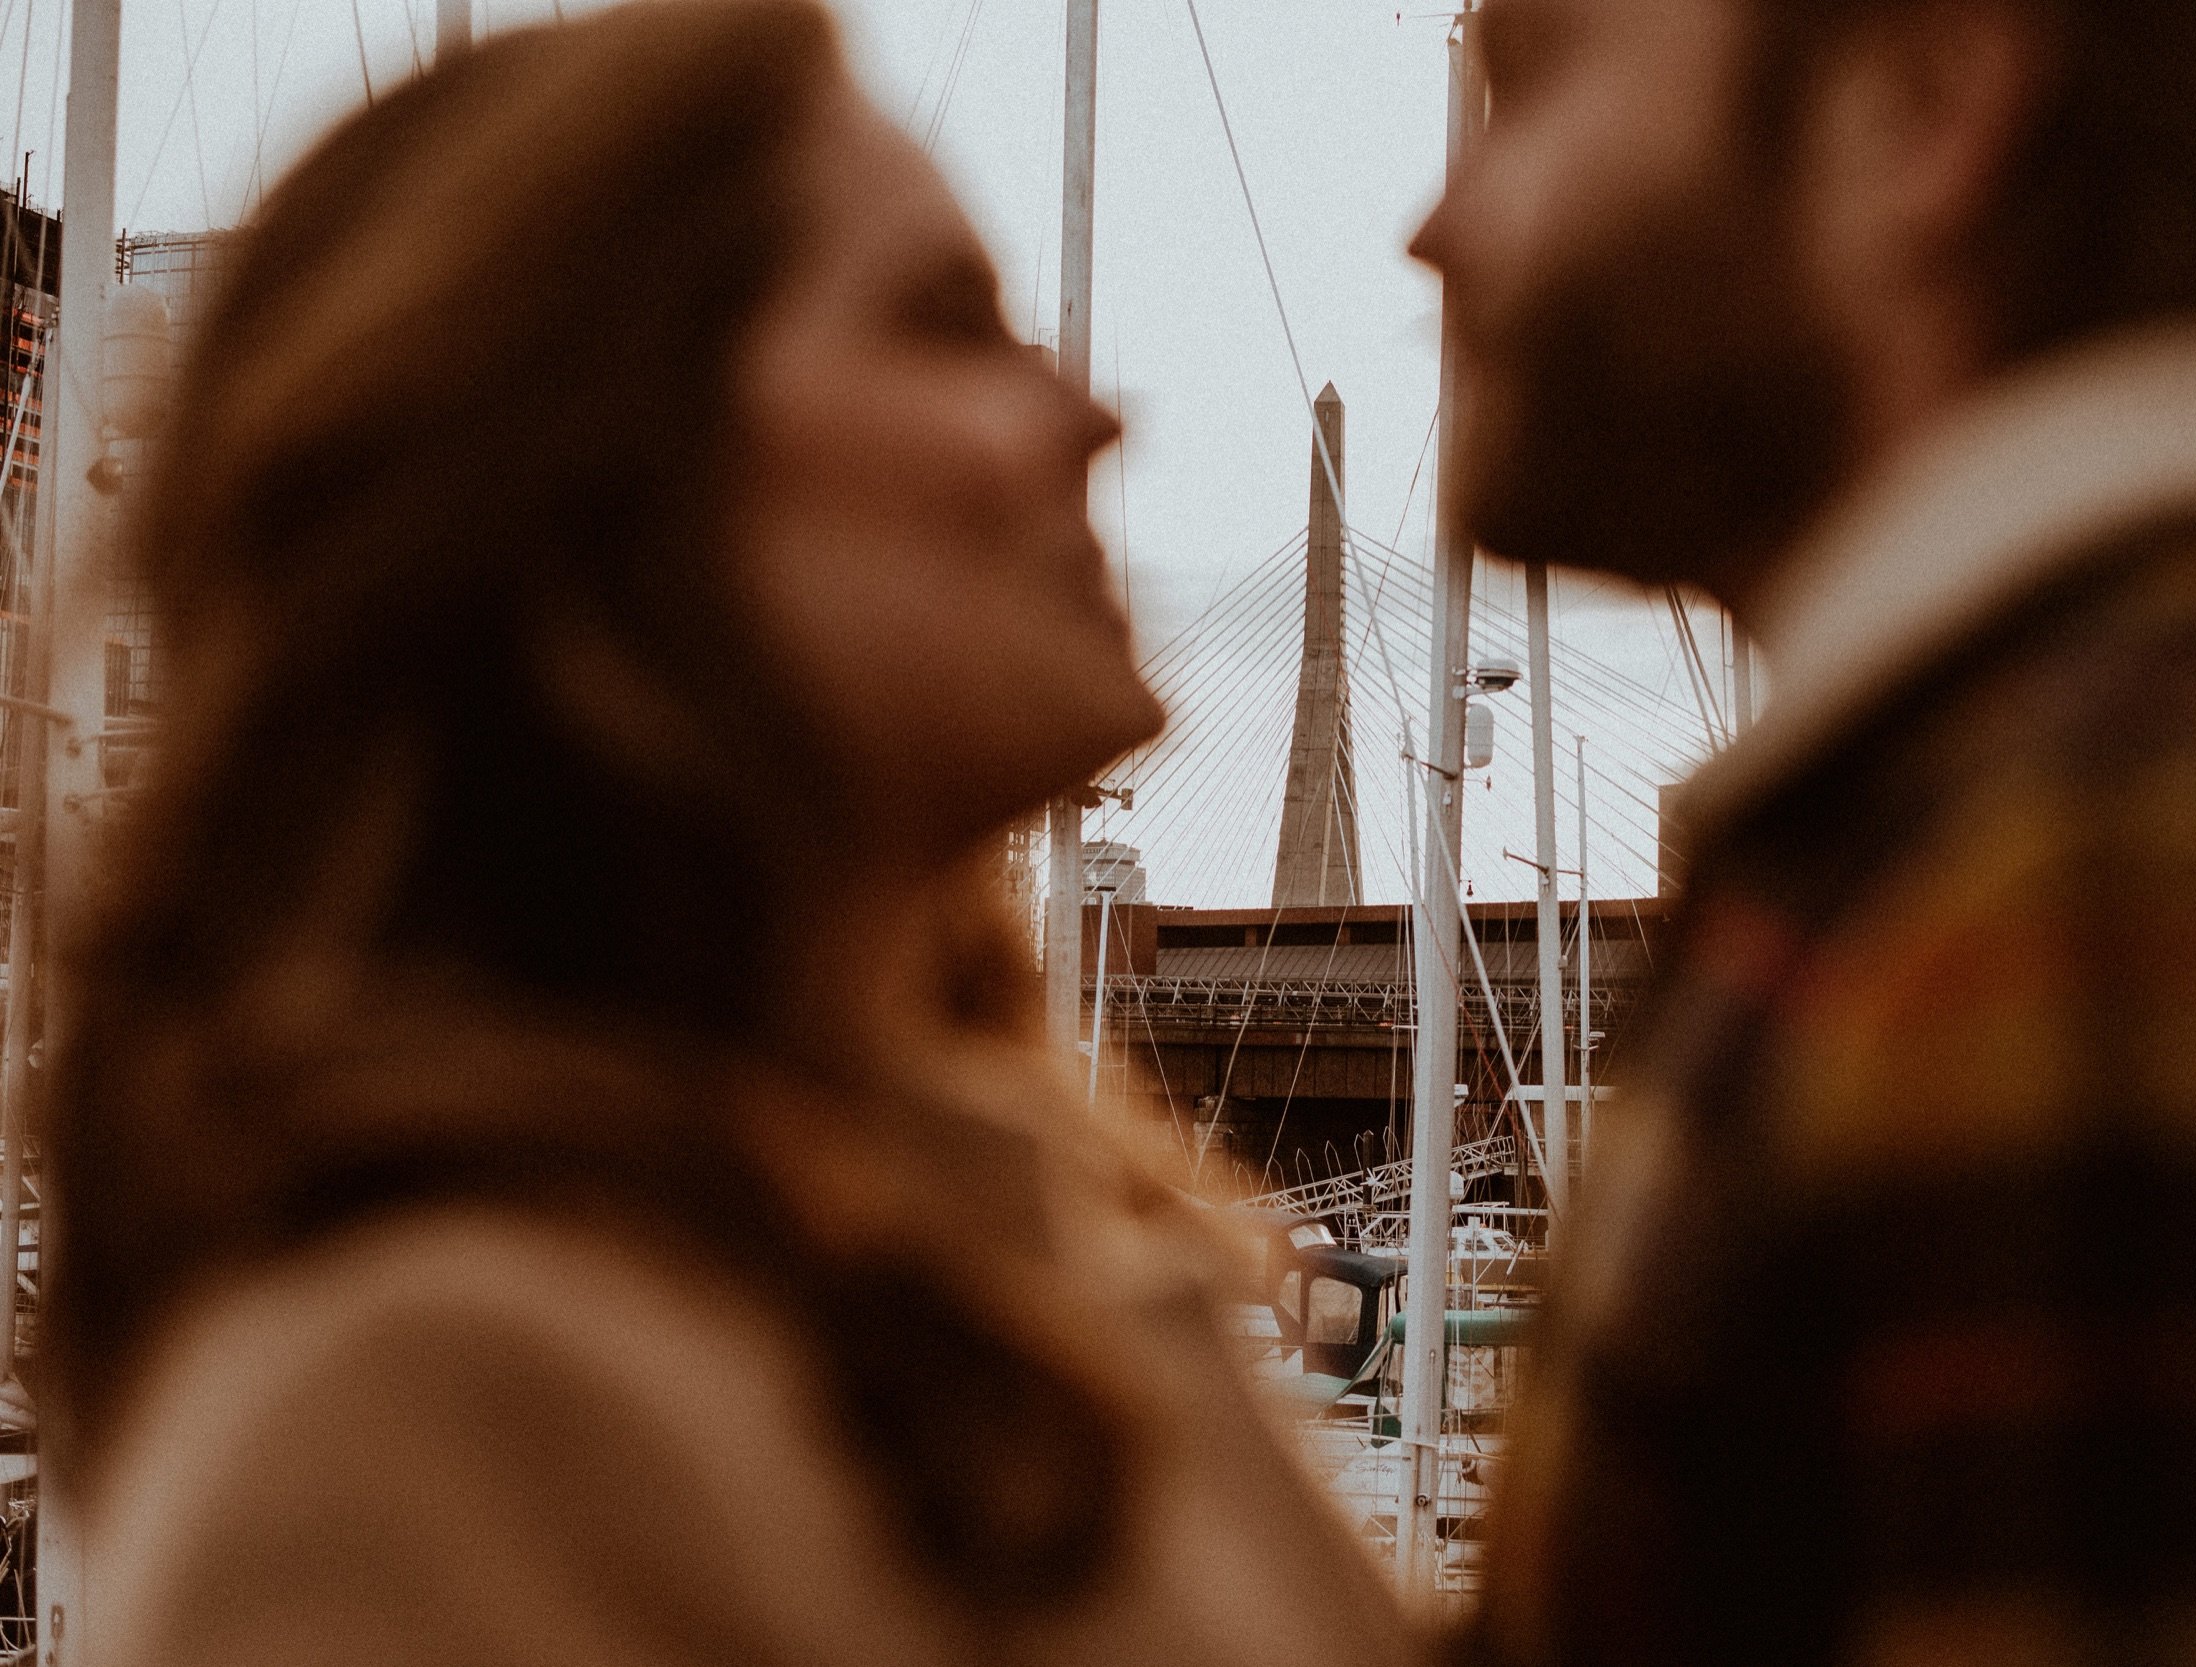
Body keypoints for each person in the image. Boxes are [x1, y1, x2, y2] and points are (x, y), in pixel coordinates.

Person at [51, 7, 1416, 1665]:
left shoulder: (1048, 1248)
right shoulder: (435, 1419)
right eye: (945, 321)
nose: (1089, 415)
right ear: (590, 471)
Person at [1416, 0, 2196, 1662]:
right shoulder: (2050, 810)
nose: (1439, 226)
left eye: (1533, 83)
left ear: (1926, 104)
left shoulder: (2121, 896)